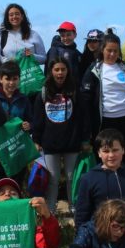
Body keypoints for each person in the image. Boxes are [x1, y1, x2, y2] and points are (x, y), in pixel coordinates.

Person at [79, 29, 125, 169]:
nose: (112, 54)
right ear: (102, 49)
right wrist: (87, 130)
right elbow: (85, 101)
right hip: (104, 122)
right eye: (109, 50)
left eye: (116, 51)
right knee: (106, 160)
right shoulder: (94, 70)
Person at [31, 56, 85, 214]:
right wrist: (37, 139)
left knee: (71, 178)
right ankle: (51, 210)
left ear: (68, 71)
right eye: (56, 70)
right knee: (53, 180)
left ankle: (74, 207)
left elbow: (83, 116)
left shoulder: (74, 90)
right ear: (51, 72)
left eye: (63, 69)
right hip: (50, 143)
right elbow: (38, 118)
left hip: (72, 142)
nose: (60, 73)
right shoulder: (43, 91)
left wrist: (84, 138)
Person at [73, 129, 125, 228]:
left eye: (115, 150)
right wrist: (82, 239)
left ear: (123, 150)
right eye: (106, 151)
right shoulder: (88, 179)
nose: (111, 155)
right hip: (101, 236)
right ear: (99, 153)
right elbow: (82, 214)